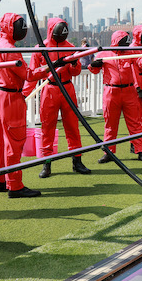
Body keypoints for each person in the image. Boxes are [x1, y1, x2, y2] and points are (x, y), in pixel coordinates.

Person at [0, 13, 40, 198]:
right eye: (19, 26)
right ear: (10, 28)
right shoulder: (10, 49)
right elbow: (28, 75)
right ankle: (14, 185)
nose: (23, 29)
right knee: (14, 141)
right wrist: (46, 70)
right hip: (9, 98)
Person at [24, 18, 91, 178]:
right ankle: (47, 164)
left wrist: (75, 64)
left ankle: (77, 161)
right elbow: (32, 74)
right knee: (47, 128)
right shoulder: (40, 48)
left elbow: (75, 72)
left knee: (73, 127)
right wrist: (24, 95)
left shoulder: (71, 47)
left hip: (68, 88)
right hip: (49, 89)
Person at [89, 30, 142, 163]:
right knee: (110, 124)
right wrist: (94, 65)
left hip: (129, 91)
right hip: (111, 92)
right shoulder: (103, 54)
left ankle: (141, 151)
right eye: (123, 43)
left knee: (135, 123)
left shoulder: (130, 53)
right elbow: (93, 69)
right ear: (116, 42)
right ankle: (109, 152)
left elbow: (140, 63)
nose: (126, 46)